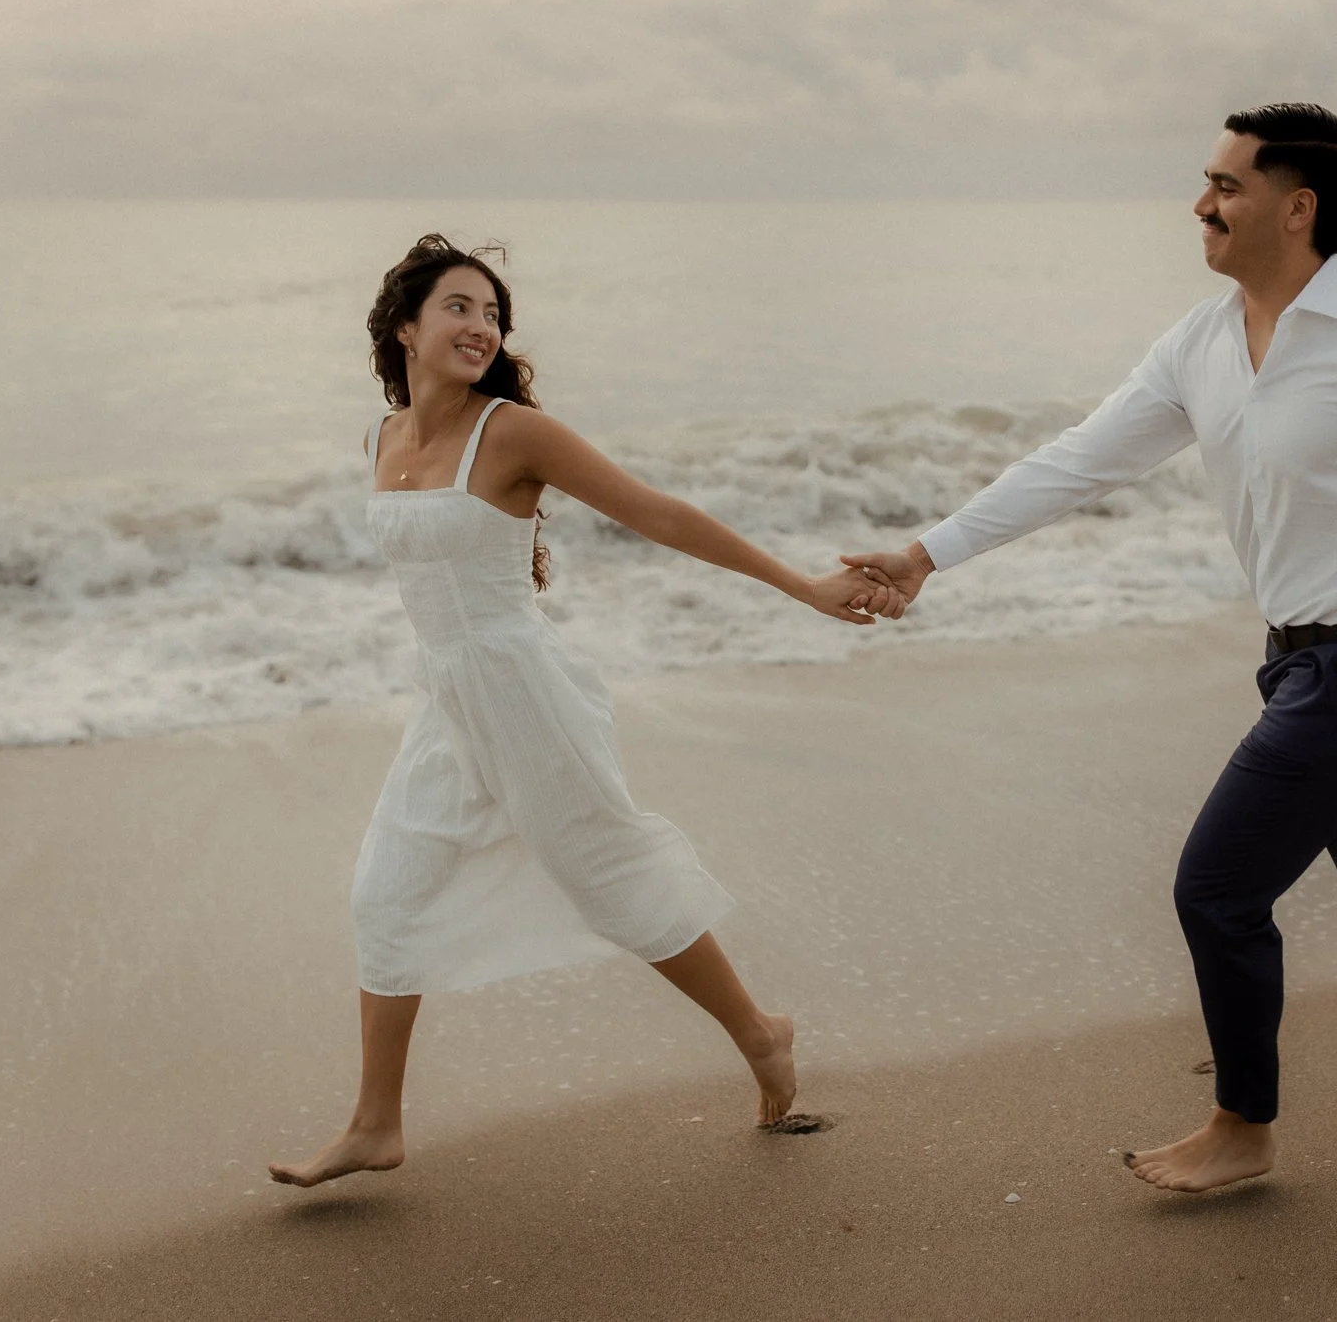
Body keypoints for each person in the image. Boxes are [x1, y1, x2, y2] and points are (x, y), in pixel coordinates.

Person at [845, 104, 1337, 1193]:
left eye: (1224, 186)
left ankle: (1242, 1128)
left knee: (1214, 889)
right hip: (1299, 662)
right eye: (1207, 183)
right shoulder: (1200, 342)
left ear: (1297, 206)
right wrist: (928, 553)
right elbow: (1079, 461)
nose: (1200, 204)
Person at [270, 234, 890, 1188]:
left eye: (492, 313)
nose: (481, 326)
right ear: (406, 324)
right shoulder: (381, 437)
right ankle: (374, 1124)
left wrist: (801, 587)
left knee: (606, 878)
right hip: (446, 700)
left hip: (523, 694)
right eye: (460, 307)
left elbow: (662, 514)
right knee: (384, 893)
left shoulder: (510, 432)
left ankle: (761, 1031)